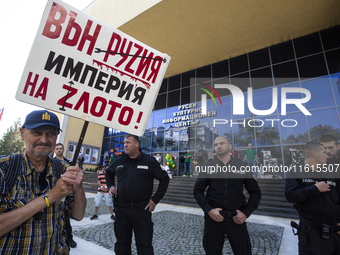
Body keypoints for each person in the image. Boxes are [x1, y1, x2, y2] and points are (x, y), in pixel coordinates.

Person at [0, 110, 86, 254]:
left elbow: (78, 215)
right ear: (22, 133)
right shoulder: (4, 169)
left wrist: (79, 188)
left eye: (50, 134)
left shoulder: (63, 169)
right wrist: (51, 196)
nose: (44, 139)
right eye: (36, 132)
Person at [193, 136, 261, 255]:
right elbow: (197, 190)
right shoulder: (207, 166)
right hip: (213, 220)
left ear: (230, 147)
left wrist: (245, 213)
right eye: (216, 145)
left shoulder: (243, 166)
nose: (218, 146)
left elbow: (256, 192)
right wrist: (208, 210)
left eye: (222, 143)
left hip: (236, 219)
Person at [106, 134, 170, 255]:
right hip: (121, 210)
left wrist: (155, 199)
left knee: (144, 246)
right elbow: (108, 173)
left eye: (128, 142)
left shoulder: (149, 161)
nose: (125, 145)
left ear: (137, 144)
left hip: (141, 210)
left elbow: (164, 179)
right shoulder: (120, 160)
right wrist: (110, 186)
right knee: (121, 244)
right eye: (124, 143)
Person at [285, 142, 340, 254]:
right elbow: (291, 195)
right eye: (324, 153)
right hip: (313, 234)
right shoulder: (295, 172)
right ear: (314, 154)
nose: (327, 156)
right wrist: (315, 189)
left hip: (335, 232)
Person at [54, 143, 77, 248]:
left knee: (66, 218)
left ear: (63, 150)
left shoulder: (68, 163)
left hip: (67, 195)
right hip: (55, 193)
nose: (59, 150)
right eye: (57, 149)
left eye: (60, 148)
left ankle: (69, 238)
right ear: (54, 150)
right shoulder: (50, 162)